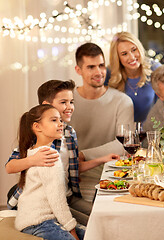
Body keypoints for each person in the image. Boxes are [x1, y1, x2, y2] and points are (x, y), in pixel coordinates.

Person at [6, 80, 118, 225]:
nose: (69, 107)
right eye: (63, 102)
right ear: (46, 105)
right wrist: (34, 159)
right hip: (45, 202)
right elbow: (10, 166)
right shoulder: (37, 133)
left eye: (71, 102)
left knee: (102, 215)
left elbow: (74, 167)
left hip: (67, 196)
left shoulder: (69, 133)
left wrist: (103, 159)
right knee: (93, 224)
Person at [70, 42, 134, 201]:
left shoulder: (122, 101)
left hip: (110, 174)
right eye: (91, 67)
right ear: (78, 70)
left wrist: (84, 154)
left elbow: (124, 143)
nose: (98, 72)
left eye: (101, 65)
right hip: (73, 175)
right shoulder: (67, 100)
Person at [14, 104, 85, 240]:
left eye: (60, 120)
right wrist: (72, 230)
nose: (60, 124)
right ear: (37, 127)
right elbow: (57, 200)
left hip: (41, 219)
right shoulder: (49, 156)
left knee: (93, 234)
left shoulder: (34, 151)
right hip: (38, 222)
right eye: (54, 120)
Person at [106, 32, 162, 122]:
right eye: (124, 54)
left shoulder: (154, 68)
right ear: (117, 58)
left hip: (149, 132)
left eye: (134, 50)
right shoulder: (109, 74)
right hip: (121, 133)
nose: (132, 57)